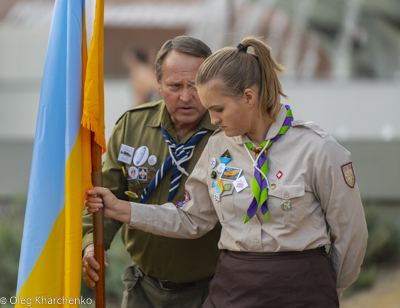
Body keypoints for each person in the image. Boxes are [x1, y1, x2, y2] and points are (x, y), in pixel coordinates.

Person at [86, 36, 368, 308]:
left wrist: (326, 289)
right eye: (209, 109)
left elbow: (350, 235)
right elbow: (190, 217)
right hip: (235, 288)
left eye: (218, 108)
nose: (212, 119)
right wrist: (122, 209)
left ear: (248, 96)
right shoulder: (218, 147)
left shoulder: (318, 150)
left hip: (302, 287)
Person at [82, 36, 222, 308]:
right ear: (157, 83)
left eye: (195, 86)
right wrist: (92, 245)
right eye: (174, 86)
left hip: (210, 292)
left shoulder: (228, 134)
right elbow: (104, 195)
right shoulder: (131, 126)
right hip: (142, 290)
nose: (185, 96)